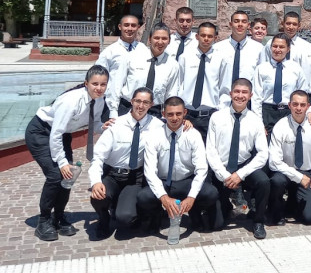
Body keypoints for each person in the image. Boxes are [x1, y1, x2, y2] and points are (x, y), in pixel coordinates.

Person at [25, 65, 110, 241]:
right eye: (95, 84)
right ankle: (44, 220)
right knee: (57, 175)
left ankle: (59, 216)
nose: (99, 88)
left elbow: (93, 123)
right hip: (41, 132)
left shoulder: (100, 100)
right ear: (86, 83)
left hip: (62, 135)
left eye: (103, 84)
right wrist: (62, 162)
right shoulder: (71, 100)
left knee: (68, 177)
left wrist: (104, 127)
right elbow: (55, 133)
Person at [89, 86, 163, 238]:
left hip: (134, 178)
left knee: (125, 218)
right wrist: (96, 181)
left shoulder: (157, 126)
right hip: (111, 175)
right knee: (97, 197)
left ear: (151, 105)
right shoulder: (115, 125)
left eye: (145, 102)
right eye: (137, 101)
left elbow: (175, 126)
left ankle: (123, 209)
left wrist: (186, 125)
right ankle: (104, 218)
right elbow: (98, 156)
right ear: (131, 101)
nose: (140, 106)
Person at [137, 96, 218, 233]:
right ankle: (158, 214)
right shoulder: (154, 136)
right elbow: (150, 172)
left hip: (187, 181)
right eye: (170, 114)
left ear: (185, 113)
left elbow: (202, 169)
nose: (174, 118)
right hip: (164, 182)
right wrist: (164, 198)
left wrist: (191, 197)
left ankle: (194, 211)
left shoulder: (193, 135)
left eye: (178, 114)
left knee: (211, 193)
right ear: (163, 114)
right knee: (143, 197)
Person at [205, 78, 269, 239]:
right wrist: (225, 175)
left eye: (244, 92)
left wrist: (240, 175)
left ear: (251, 95)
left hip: (243, 167)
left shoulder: (255, 120)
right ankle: (225, 206)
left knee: (263, 182)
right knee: (216, 224)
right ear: (230, 93)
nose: (240, 96)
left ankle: (258, 219)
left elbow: (263, 154)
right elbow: (210, 151)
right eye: (237, 92)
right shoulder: (216, 117)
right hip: (221, 168)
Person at [268, 90, 311, 225]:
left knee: (310, 218)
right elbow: (274, 162)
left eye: (302, 105)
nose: (298, 108)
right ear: (289, 105)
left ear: (308, 106)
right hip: (285, 172)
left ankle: (294, 202)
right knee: (276, 181)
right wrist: (298, 177)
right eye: (295, 104)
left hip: (307, 172)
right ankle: (275, 211)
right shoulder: (281, 126)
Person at [112, 23, 180, 120]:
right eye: (156, 38)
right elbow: (117, 85)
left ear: (169, 41)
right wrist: (113, 112)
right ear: (149, 39)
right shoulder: (132, 57)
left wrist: (167, 117)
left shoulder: (173, 65)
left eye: (164, 39)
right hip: (127, 109)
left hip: (154, 113)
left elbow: (171, 94)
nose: (160, 42)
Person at [178, 21, 232, 139]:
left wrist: (220, 115)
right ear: (197, 36)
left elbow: (225, 89)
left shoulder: (221, 59)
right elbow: (178, 85)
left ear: (215, 38)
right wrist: (181, 114)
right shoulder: (185, 57)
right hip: (187, 116)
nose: (206, 39)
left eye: (210, 36)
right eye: (203, 35)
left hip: (210, 115)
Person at [251, 33, 308, 134]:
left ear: (288, 49)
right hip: (267, 113)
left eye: (282, 47)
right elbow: (256, 98)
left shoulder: (296, 69)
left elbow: (302, 92)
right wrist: (259, 123)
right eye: (275, 46)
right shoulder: (261, 69)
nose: (277, 50)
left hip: (288, 112)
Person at [96, 14, 150, 117]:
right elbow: (98, 77)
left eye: (133, 25)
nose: (130, 28)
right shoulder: (110, 52)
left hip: (140, 106)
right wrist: (112, 109)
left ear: (138, 27)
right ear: (120, 27)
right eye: (126, 25)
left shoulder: (143, 50)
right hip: (116, 105)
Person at [214, 10, 264, 86]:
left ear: (248, 25)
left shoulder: (259, 49)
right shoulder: (218, 48)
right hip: (224, 96)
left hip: (249, 96)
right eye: (236, 21)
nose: (240, 24)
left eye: (244, 21)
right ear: (230, 24)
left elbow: (262, 77)